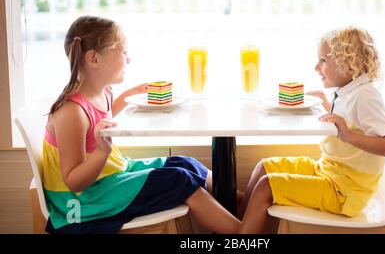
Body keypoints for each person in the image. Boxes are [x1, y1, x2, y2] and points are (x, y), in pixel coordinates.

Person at [43, 16, 240, 234]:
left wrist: (129, 95)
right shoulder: (71, 113)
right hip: (84, 202)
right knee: (179, 180)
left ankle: (246, 209)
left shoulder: (103, 92)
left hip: (109, 176)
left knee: (187, 164)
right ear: (93, 59)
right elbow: (74, 182)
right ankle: (245, 234)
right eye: (124, 52)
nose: (129, 60)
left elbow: (98, 121)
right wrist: (101, 153)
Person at [237, 27, 385, 234]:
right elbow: (349, 122)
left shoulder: (365, 96)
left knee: (267, 185)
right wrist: (325, 106)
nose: (316, 67)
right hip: (328, 172)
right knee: (264, 167)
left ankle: (238, 235)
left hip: (344, 192)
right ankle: (238, 229)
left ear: (349, 66)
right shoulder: (347, 92)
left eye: (323, 60)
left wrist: (349, 136)